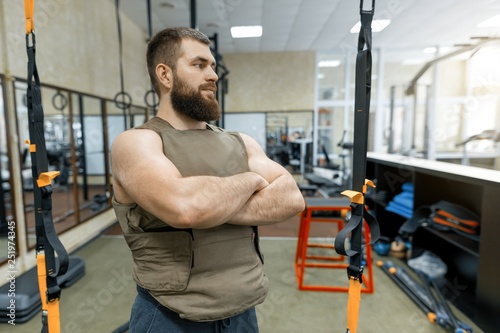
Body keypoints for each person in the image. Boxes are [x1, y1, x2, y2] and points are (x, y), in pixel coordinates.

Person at [111, 27, 305, 333]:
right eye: (199, 65)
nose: (213, 75)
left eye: (213, 66)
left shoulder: (241, 141)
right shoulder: (137, 142)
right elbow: (186, 208)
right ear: (165, 75)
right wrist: (252, 180)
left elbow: (292, 198)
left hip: (243, 314)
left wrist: (212, 205)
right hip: (169, 317)